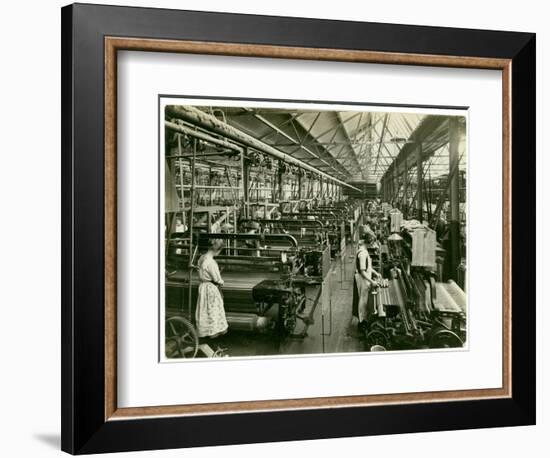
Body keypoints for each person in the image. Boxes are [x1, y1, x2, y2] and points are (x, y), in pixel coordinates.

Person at [195, 239, 228, 338]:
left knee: (205, 309)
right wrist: (221, 281)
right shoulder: (211, 262)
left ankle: (206, 332)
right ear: (217, 250)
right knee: (212, 310)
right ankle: (213, 334)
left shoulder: (201, 258)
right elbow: (217, 279)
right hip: (210, 288)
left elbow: (200, 271)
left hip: (202, 286)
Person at [352, 239, 383, 331]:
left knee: (365, 300)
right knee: (362, 301)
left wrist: (376, 273)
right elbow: (362, 271)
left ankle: (364, 319)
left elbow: (368, 268)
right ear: (368, 242)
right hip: (362, 279)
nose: (373, 245)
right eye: (372, 243)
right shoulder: (362, 253)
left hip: (365, 279)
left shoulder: (365, 251)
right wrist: (372, 281)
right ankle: (362, 322)